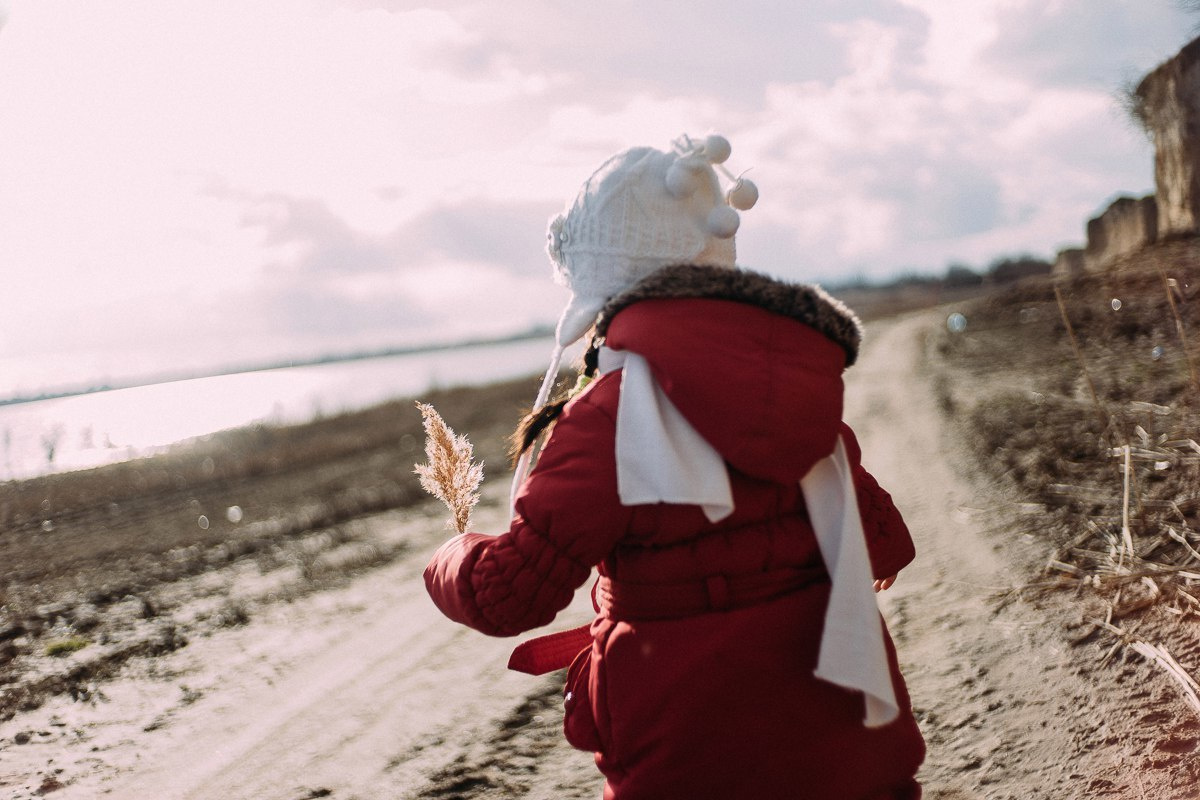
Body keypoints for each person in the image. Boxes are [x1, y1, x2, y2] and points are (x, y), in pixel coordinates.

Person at [424, 134, 926, 799]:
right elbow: (882, 543)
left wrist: (452, 556)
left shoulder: (610, 413)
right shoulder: (791, 376)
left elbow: (509, 595)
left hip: (695, 749)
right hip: (848, 741)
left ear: (601, 283)